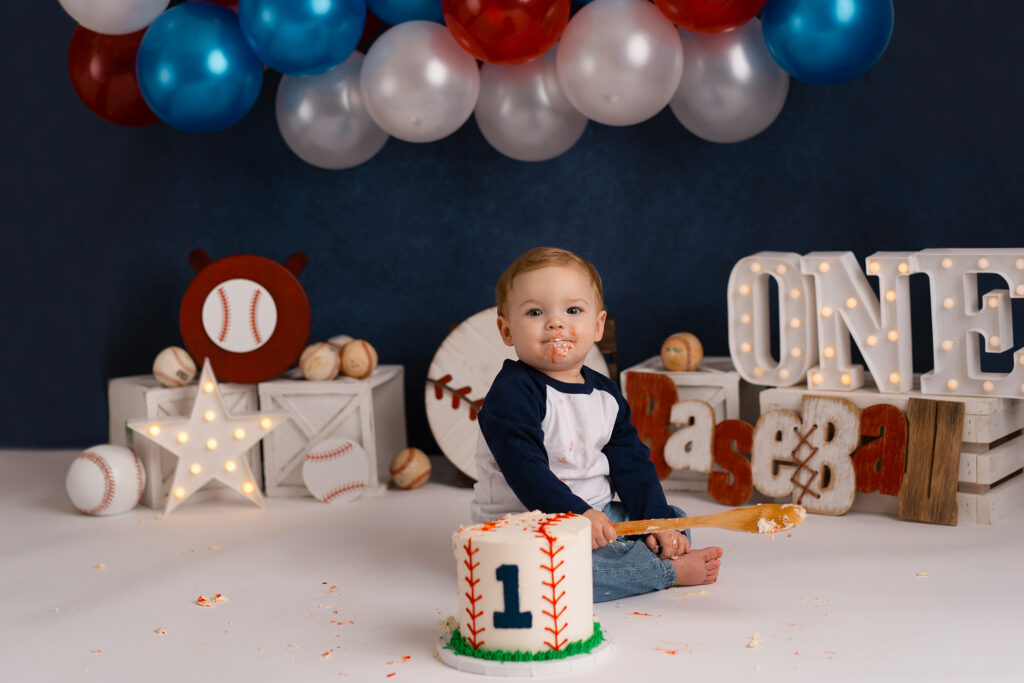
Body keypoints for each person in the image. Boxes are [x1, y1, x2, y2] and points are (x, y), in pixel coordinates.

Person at [472, 246, 722, 602]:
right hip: (526, 528)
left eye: (573, 310)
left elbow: (631, 462)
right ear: (506, 329)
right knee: (555, 576)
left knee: (673, 517)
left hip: (596, 514)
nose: (555, 322)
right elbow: (525, 470)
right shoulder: (512, 394)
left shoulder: (604, 393)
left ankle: (646, 551)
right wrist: (576, 516)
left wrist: (654, 521)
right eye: (534, 312)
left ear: (598, 325)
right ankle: (666, 571)